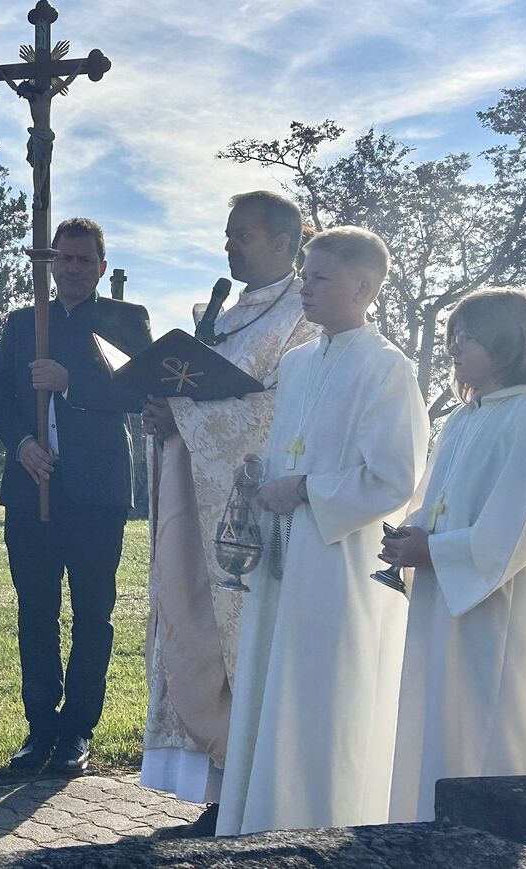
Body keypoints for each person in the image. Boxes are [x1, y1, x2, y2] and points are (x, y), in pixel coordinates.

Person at [217, 225, 429, 835]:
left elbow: (395, 476)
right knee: (273, 687)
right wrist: (262, 474)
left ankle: (320, 829)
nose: (304, 288)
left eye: (320, 278)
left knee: (322, 696)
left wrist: (307, 489)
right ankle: (260, 826)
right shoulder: (299, 363)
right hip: (281, 557)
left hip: (338, 563)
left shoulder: (387, 368)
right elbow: (292, 451)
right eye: (304, 276)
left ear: (363, 288)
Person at [138, 192, 316, 829]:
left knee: (241, 639)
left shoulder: (303, 316)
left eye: (242, 234)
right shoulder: (223, 314)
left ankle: (250, 792)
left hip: (250, 511)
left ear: (282, 243)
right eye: (227, 233)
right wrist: (161, 410)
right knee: (190, 622)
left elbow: (282, 410)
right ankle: (219, 793)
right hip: (191, 494)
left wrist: (183, 415)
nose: (229, 245)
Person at [384, 287, 526, 822]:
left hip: (494, 609)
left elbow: (520, 528)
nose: (453, 348)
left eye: (466, 337)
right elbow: (433, 498)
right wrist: (410, 534)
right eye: (453, 337)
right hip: (445, 597)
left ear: (509, 342)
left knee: (483, 724)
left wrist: (433, 549)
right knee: (437, 718)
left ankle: (479, 834)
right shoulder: (463, 418)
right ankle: (424, 827)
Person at [0, 217, 152, 777]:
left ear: (101, 267)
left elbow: (140, 392)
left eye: (84, 259)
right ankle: (40, 729)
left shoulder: (126, 319)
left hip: (97, 491)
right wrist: (22, 444)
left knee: (93, 612)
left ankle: (78, 729)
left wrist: (70, 380)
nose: (73, 268)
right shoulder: (23, 322)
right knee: (35, 610)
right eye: (65, 258)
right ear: (50, 263)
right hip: (31, 486)